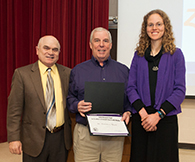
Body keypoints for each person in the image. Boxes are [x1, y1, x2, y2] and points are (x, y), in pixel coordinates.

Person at [126, 9, 186, 162]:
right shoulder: (138, 55)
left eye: (158, 24)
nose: (154, 28)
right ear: (145, 29)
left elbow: (180, 90)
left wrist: (158, 115)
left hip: (165, 121)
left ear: (165, 27)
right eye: (150, 24)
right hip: (142, 120)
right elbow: (130, 87)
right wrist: (145, 115)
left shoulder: (176, 55)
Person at [67, 27, 131, 162]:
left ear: (111, 45)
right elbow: (69, 98)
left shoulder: (124, 71)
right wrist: (76, 105)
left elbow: (130, 100)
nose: (101, 44)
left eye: (105, 41)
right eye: (97, 40)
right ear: (91, 45)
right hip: (86, 136)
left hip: (114, 136)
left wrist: (129, 112)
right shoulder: (78, 70)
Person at [7, 35, 72, 162]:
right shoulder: (22, 74)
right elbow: (14, 110)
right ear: (37, 50)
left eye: (55, 49)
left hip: (60, 139)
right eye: (46, 48)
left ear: (59, 53)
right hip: (33, 138)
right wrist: (14, 138)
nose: (50, 52)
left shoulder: (68, 73)